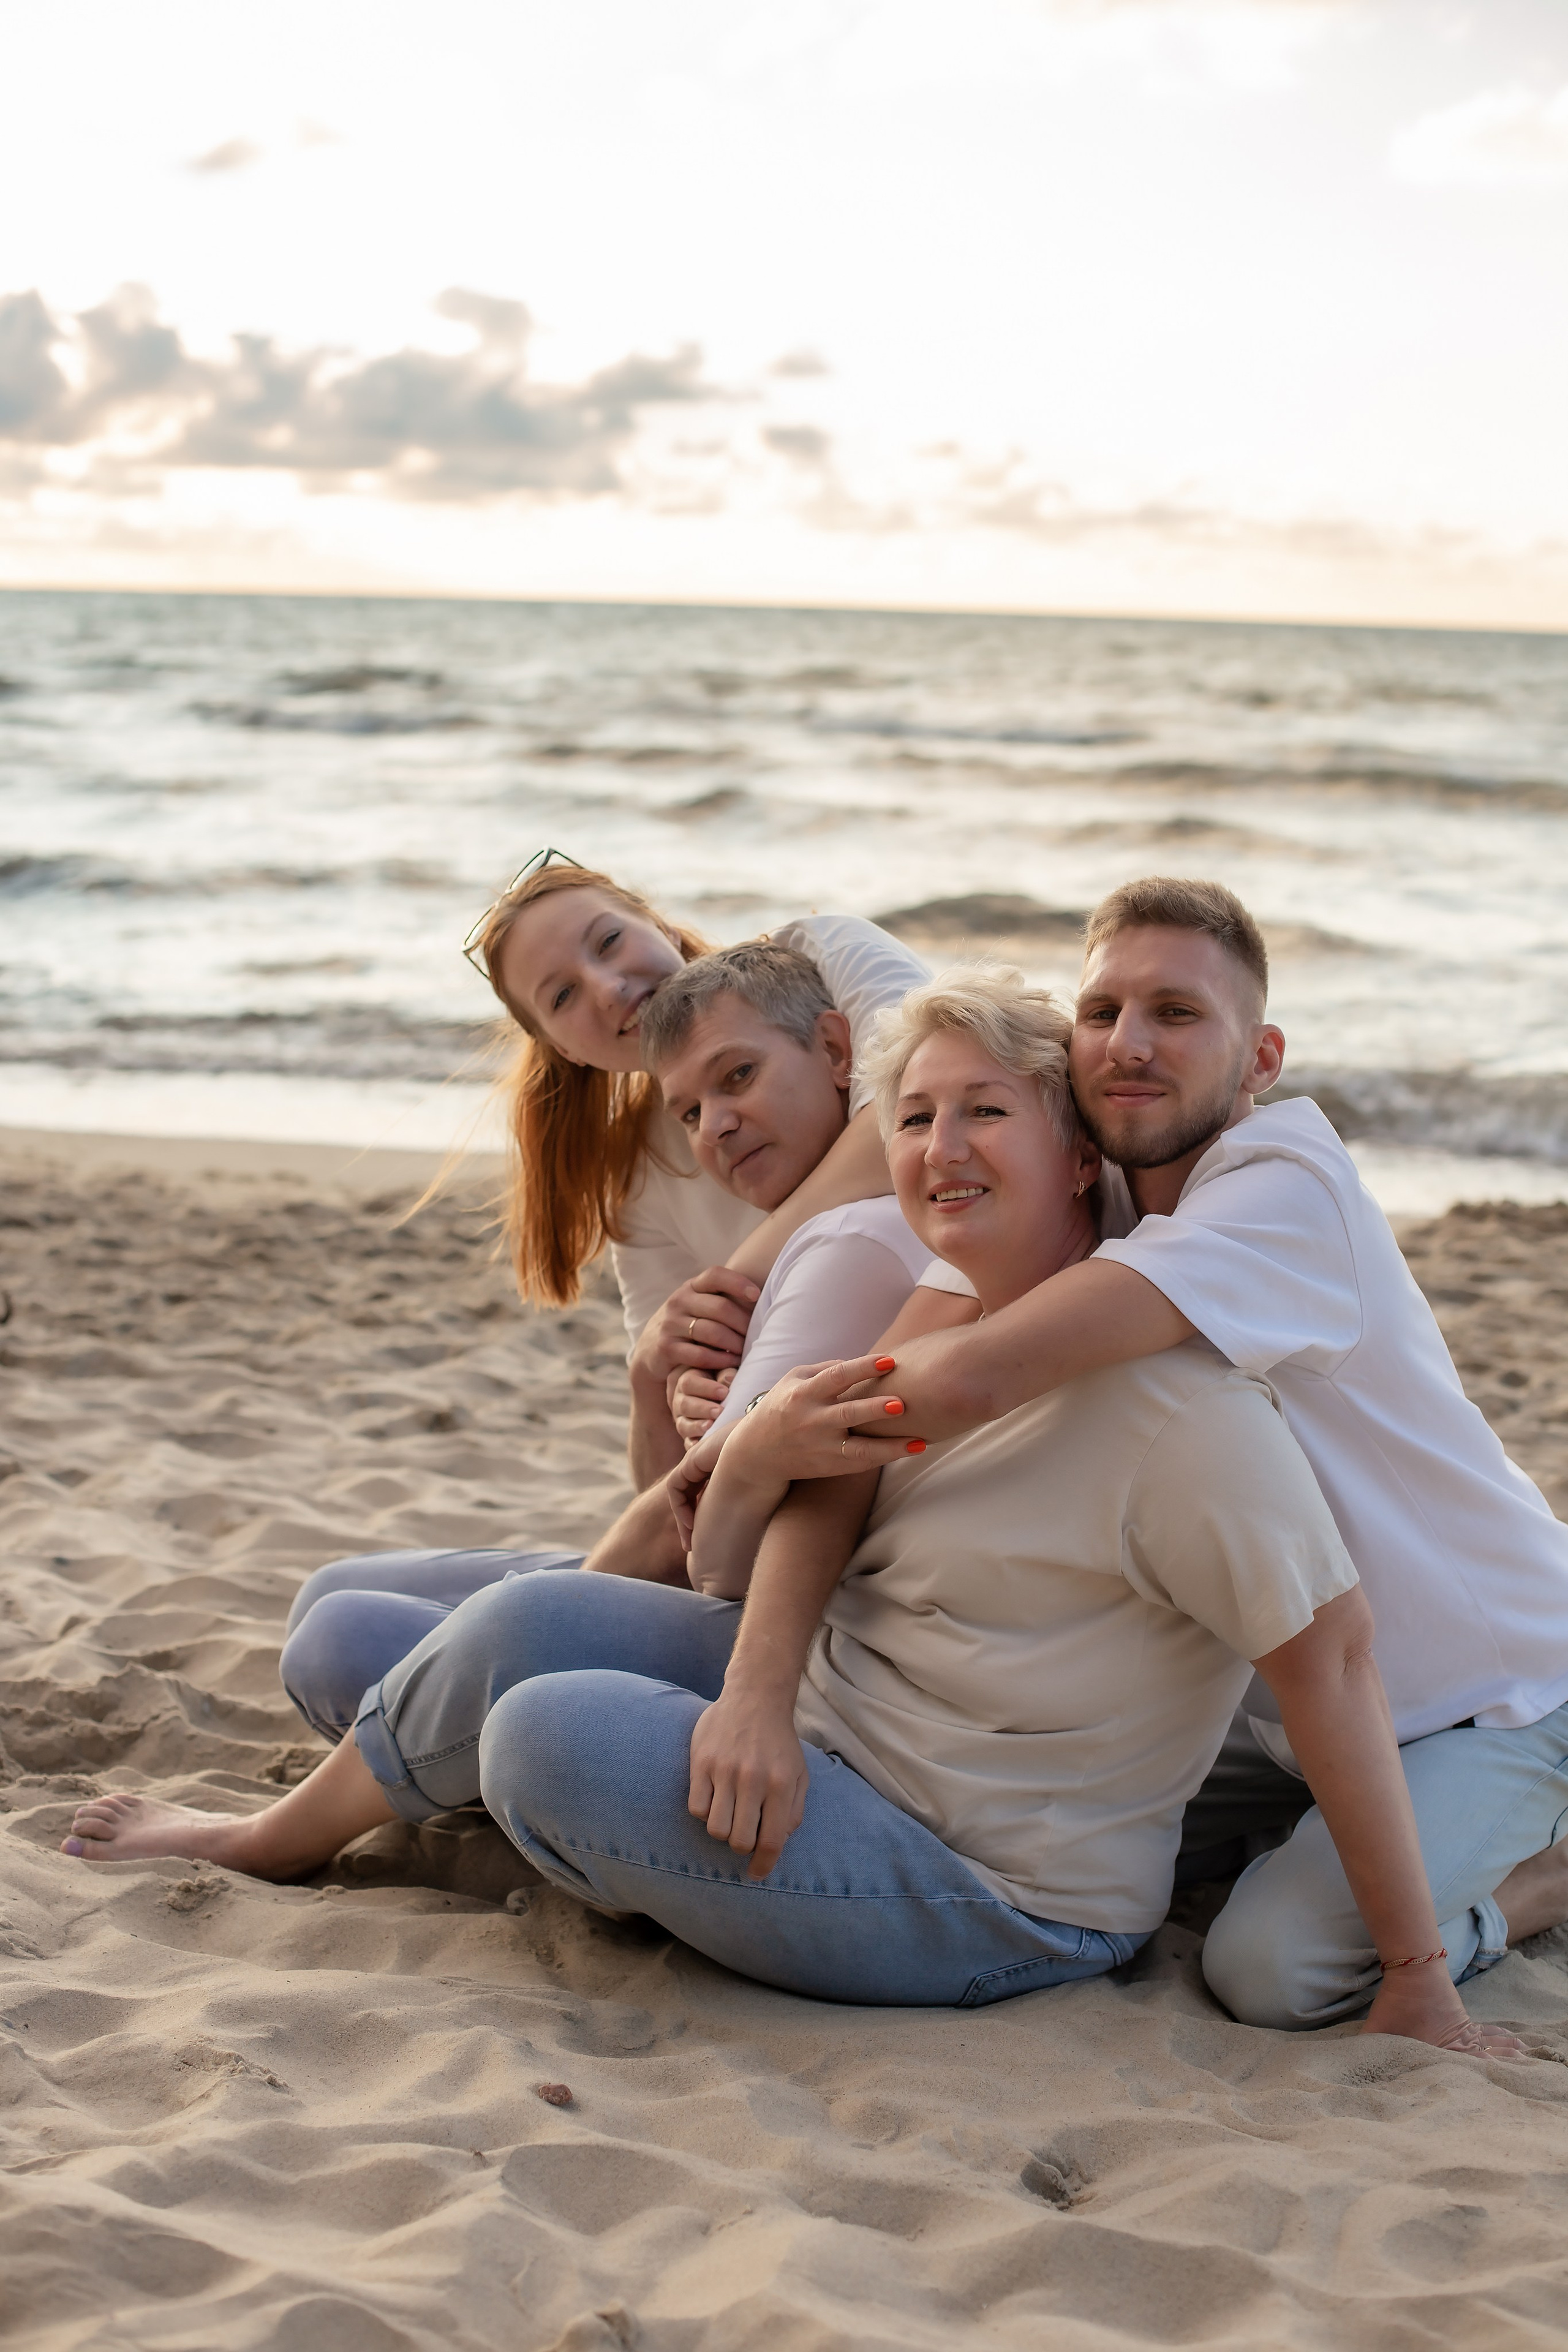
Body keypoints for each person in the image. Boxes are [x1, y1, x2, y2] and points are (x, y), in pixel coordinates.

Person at [69, 971, 1517, 2057]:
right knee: (517, 1623)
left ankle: (473, 1820)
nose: (939, 1148)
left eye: (985, 1113)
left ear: (1076, 1154)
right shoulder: (937, 1314)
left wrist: (1408, 1974)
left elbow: (1326, 1660)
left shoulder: (1175, 1405)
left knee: (541, 1733)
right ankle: (282, 1834)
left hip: (995, 1880)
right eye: (914, 1118)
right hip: (842, 1721)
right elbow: (767, 1521)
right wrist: (757, 1660)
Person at [685, 878, 1568, 2033]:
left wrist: (755, 1441)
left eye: (1178, 1014)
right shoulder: (1083, 1197)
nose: (1130, 1045)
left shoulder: (1283, 1188)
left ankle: (1543, 1878)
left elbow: (957, 1381)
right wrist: (768, 1468)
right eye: (1102, 1012)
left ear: (1261, 1061)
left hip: (1494, 1695)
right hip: (1283, 1713)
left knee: (1276, 1968)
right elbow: (875, 1414)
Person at [58, 944, 947, 1864]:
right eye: (690, 1109)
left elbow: (694, 1544)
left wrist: (527, 1622)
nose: (716, 1125)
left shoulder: (852, 1237)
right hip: (727, 1572)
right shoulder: (699, 1202)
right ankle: (437, 1745)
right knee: (330, 1595)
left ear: (842, 1054)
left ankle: (306, 1822)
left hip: (784, 1624)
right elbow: (667, 1492)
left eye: (740, 1080)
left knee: (343, 1638)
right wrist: (666, 1383)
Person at [462, 850, 930, 1485]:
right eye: (564, 995)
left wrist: (740, 1275)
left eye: (609, 940)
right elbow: (667, 1472)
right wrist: (661, 1377)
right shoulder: (635, 1176)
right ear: (562, 1048)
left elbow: (916, 1117)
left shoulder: (824, 957)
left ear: (660, 926)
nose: (608, 988)